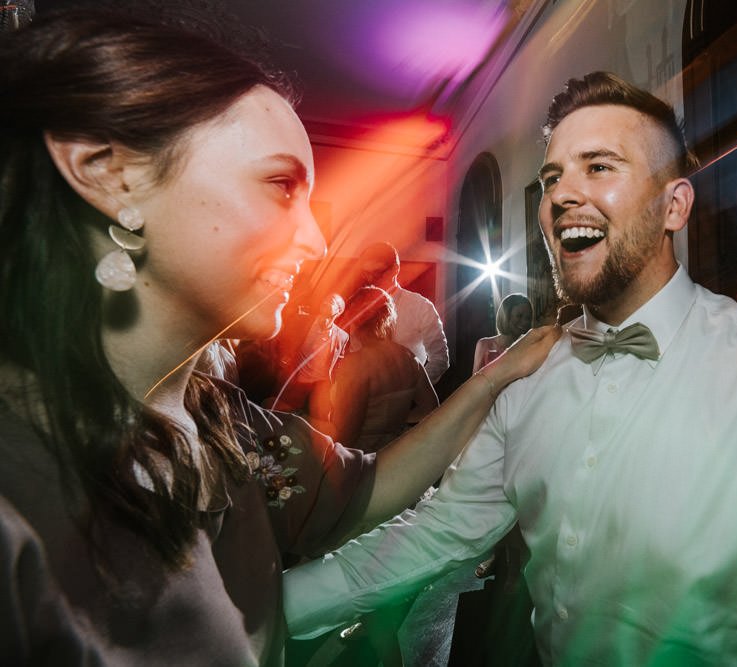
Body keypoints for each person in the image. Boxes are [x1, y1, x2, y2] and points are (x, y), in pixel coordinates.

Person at [284, 72, 737, 665]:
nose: (563, 193)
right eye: (553, 176)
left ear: (673, 205)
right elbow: (431, 536)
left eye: (600, 166)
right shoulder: (525, 379)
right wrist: (256, 614)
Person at [0, 10, 558, 666]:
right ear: (107, 172)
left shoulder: (224, 423)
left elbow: (366, 487)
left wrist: (492, 379)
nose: (315, 242)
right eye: (278, 184)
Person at [309, 287, 438, 454]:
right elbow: (431, 407)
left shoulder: (357, 363)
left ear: (355, 318)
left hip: (361, 456)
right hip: (394, 453)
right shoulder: (408, 357)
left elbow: (348, 431)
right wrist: (395, 422)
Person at [359, 241, 450, 385]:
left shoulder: (421, 307)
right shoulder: (359, 308)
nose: (371, 280)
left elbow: (440, 359)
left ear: (395, 269)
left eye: (378, 273)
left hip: (409, 397)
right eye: (366, 274)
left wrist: (414, 391)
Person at [472, 293, 534, 374]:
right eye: (519, 316)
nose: (525, 322)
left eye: (528, 318)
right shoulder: (484, 344)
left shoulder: (527, 347)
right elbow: (474, 380)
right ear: (506, 315)